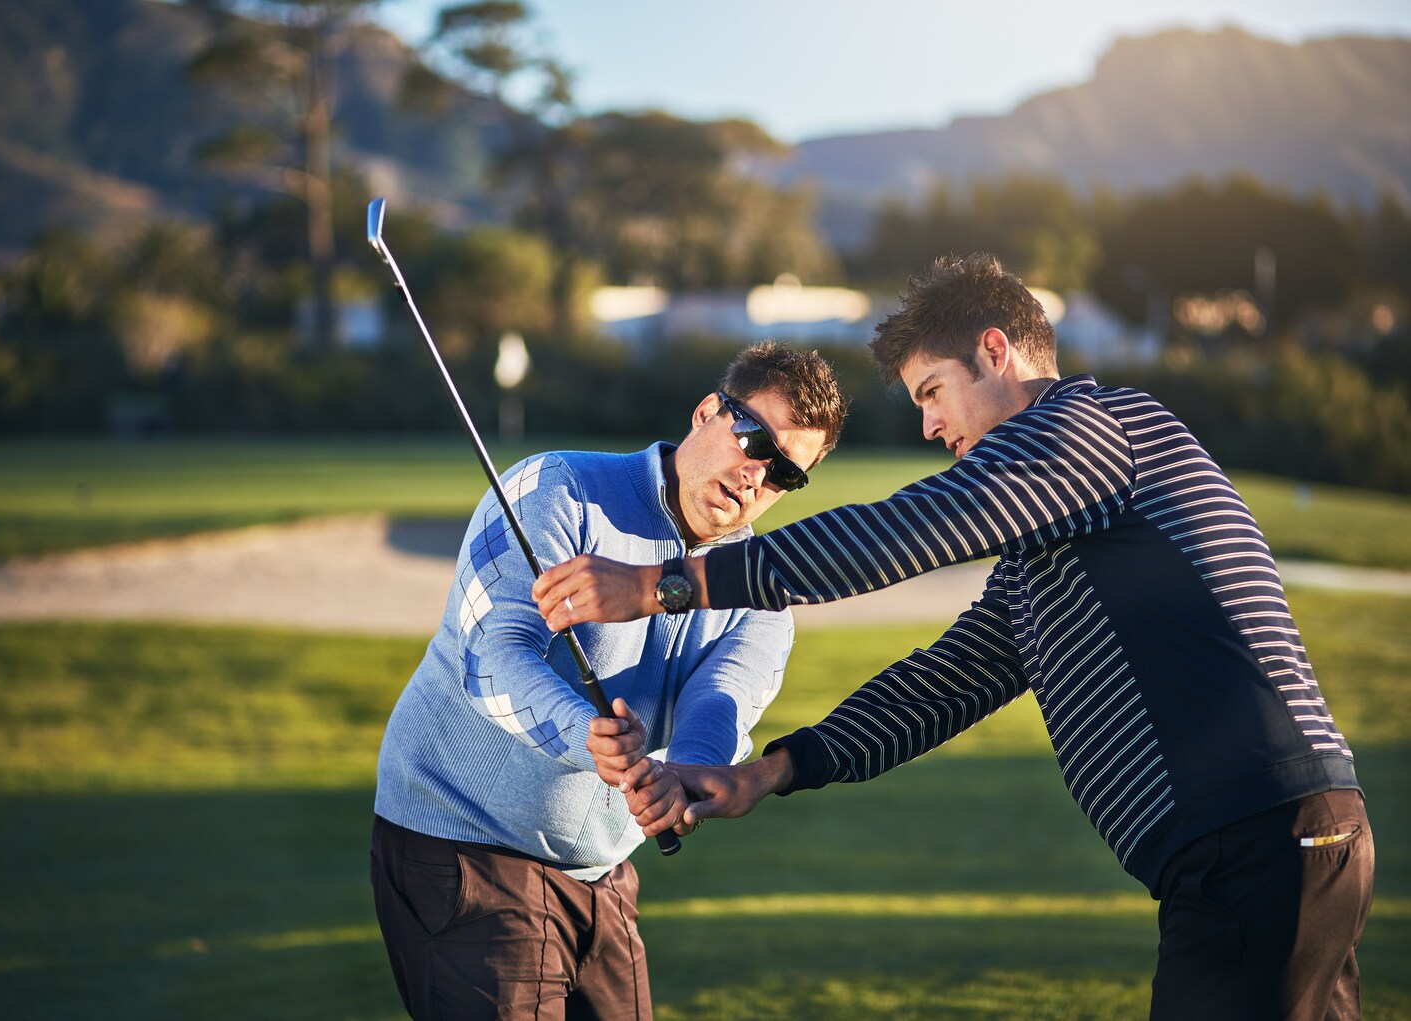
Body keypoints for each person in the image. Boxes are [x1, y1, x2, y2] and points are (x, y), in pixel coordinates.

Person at [534, 254, 1376, 1021]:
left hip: (1257, 837)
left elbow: (909, 529)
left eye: (933, 391)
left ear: (998, 350)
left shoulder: (1090, 428)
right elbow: (946, 681)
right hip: (1263, 847)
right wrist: (769, 770)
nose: (932, 429)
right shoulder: (1057, 540)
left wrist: (660, 586)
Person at [371, 339, 848, 1020]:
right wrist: (585, 736)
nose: (755, 476)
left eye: (783, 475)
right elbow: (492, 658)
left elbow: (722, 704)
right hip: (463, 845)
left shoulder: (761, 592)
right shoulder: (555, 489)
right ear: (707, 411)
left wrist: (686, 776)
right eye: (751, 440)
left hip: (600, 870)